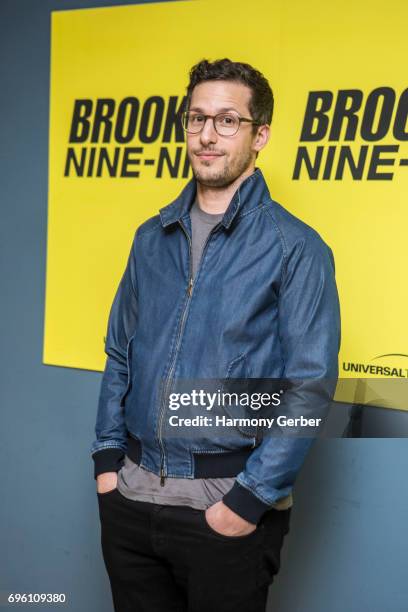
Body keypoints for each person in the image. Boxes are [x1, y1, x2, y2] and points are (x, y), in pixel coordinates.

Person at [91, 58, 341, 612]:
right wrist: (108, 462)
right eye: (196, 118)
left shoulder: (295, 247)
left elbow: (310, 386)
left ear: (260, 136)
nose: (207, 135)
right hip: (130, 498)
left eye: (228, 120)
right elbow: (119, 354)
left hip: (223, 504)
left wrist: (248, 500)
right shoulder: (149, 238)